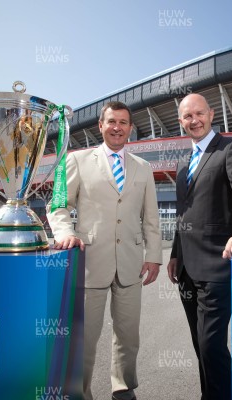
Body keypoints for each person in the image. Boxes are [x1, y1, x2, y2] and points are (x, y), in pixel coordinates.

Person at [47, 101, 162, 400]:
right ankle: (79, 392)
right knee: (83, 338)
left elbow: (150, 217)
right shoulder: (78, 160)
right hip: (90, 261)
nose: (117, 127)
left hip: (131, 263)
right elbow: (58, 204)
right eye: (111, 121)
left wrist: (153, 256)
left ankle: (123, 389)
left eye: (123, 122)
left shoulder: (143, 168)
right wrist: (65, 233)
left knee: (128, 336)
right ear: (100, 125)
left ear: (130, 128)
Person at [167, 93, 232, 399]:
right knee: (201, 346)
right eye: (187, 116)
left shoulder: (231, 148)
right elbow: (184, 213)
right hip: (186, 268)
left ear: (211, 114)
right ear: (180, 121)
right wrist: (174, 254)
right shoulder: (184, 162)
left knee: (211, 345)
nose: (193, 120)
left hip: (216, 265)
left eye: (199, 114)